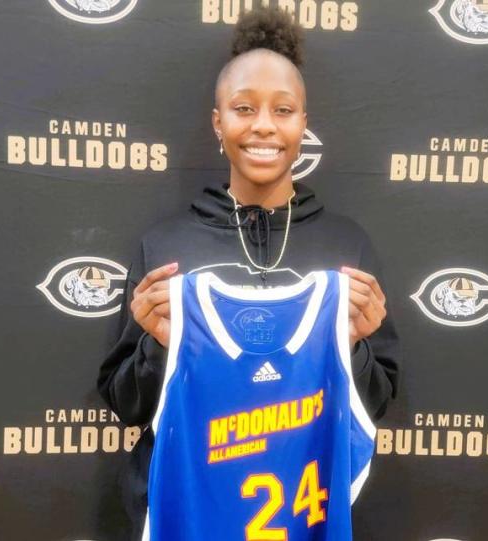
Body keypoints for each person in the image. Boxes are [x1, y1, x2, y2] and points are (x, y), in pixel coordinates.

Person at [96, 6, 401, 539]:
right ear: (219, 122)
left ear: (304, 123)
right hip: (188, 513)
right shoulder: (167, 246)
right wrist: (156, 346)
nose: (263, 125)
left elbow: (374, 403)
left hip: (303, 516)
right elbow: (126, 405)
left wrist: (352, 344)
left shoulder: (345, 247)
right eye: (244, 108)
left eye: (283, 110)